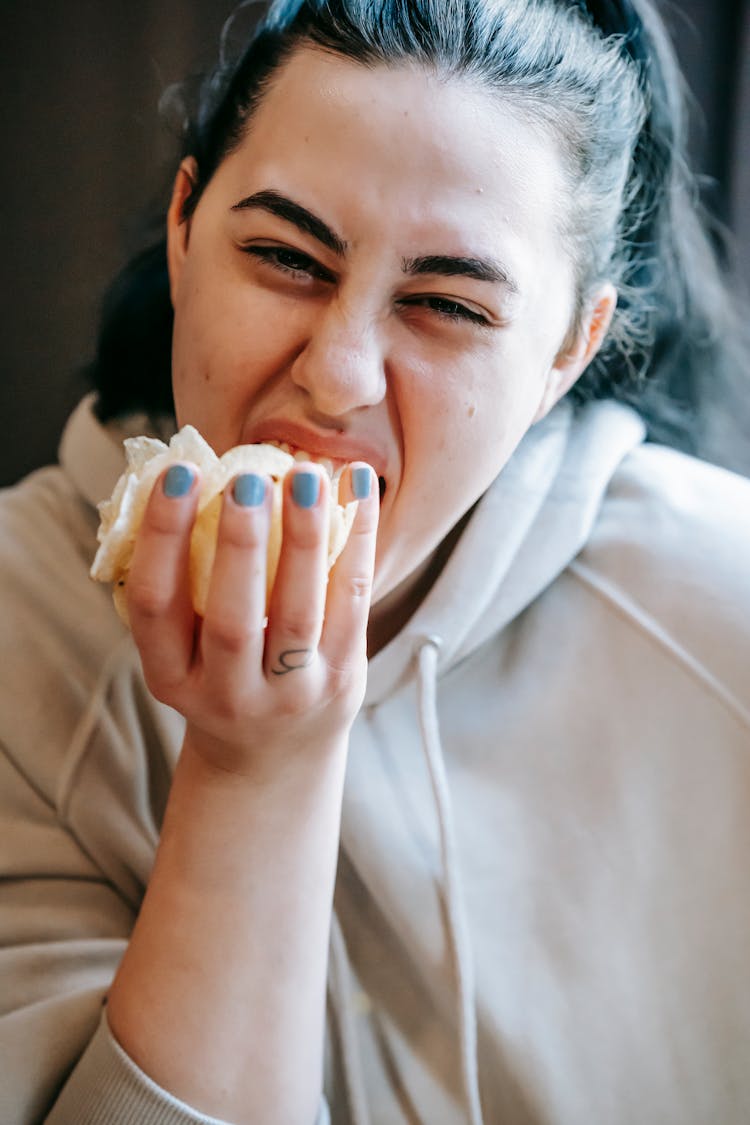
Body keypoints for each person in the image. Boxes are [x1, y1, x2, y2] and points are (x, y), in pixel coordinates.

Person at [2, 0, 749, 1122]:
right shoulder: (18, 623)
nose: (339, 373)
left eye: (446, 303)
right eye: (286, 257)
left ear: (567, 350)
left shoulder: (723, 610)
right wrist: (256, 770)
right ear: (184, 225)